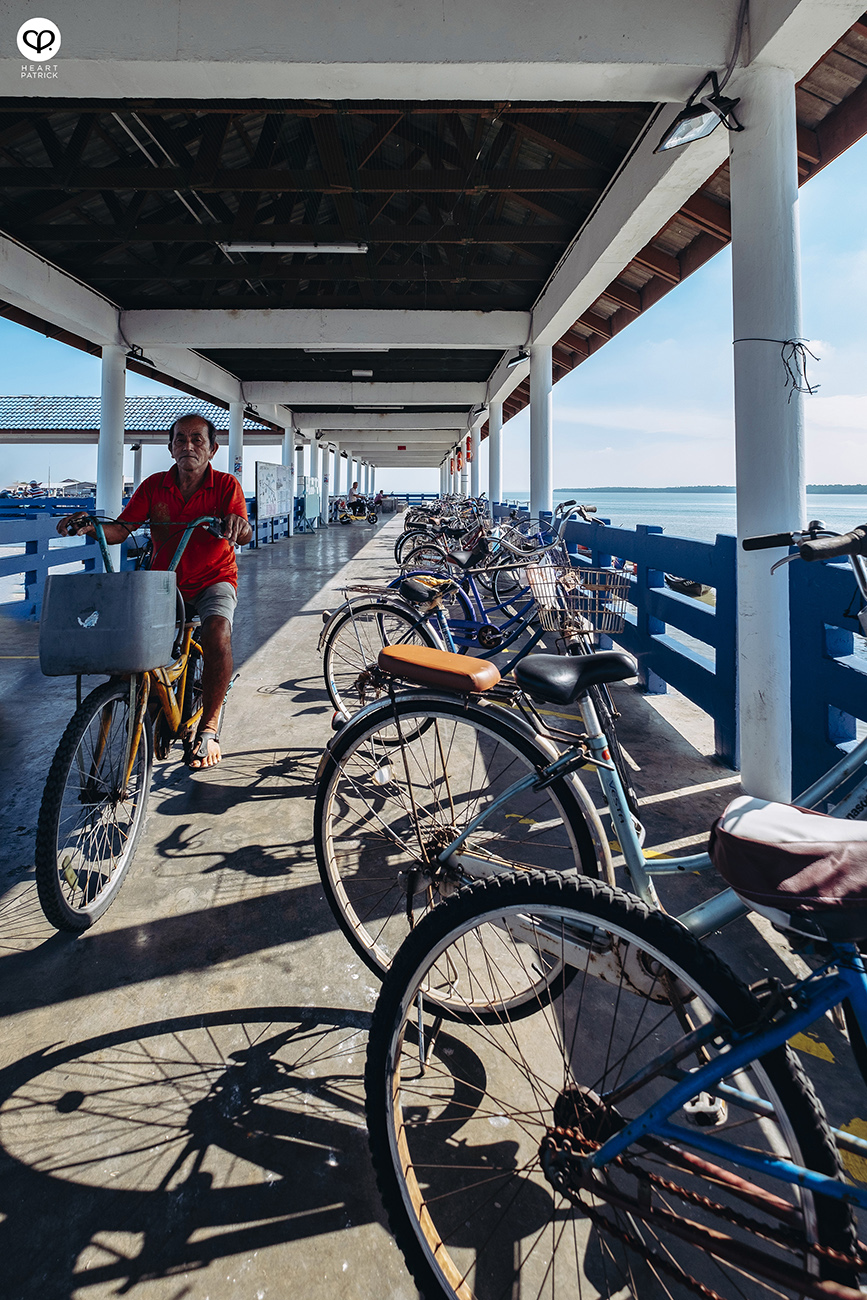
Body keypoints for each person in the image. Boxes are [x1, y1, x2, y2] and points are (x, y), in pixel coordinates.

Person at [57, 413, 252, 769]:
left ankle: (208, 727)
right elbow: (121, 529)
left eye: (197, 439)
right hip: (165, 580)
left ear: (212, 448)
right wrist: (90, 526)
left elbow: (243, 531)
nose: (188, 445)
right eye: (180, 439)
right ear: (170, 446)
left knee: (217, 634)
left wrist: (238, 526)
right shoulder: (154, 486)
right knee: (132, 646)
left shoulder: (226, 486)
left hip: (213, 578)